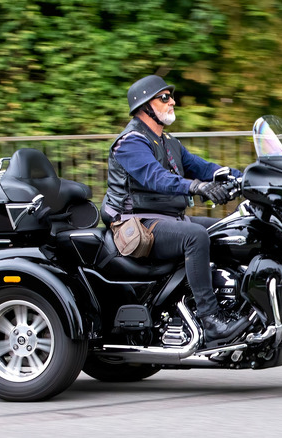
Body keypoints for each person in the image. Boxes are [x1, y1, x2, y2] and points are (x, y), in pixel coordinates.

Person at [101, 74, 247, 344]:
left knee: (232, 229)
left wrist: (246, 179)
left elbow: (205, 169)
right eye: (165, 98)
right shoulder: (130, 142)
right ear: (145, 106)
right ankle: (210, 319)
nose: (173, 102)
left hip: (169, 219)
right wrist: (197, 187)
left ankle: (236, 303)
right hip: (137, 224)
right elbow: (154, 177)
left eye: (170, 97)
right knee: (195, 236)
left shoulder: (169, 143)